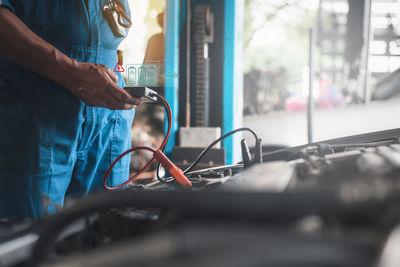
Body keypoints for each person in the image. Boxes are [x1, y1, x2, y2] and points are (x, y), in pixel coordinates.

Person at [0, 0, 141, 218]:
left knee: (108, 230)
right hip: (37, 115)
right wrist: (70, 72)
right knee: (34, 236)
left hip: (109, 119)